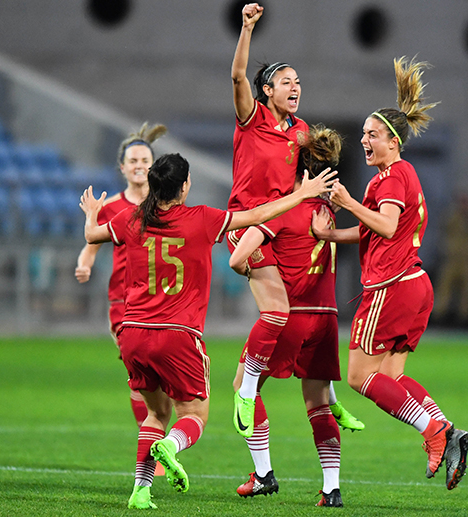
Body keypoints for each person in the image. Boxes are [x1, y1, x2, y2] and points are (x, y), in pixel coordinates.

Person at [80, 152, 336, 509]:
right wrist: (301, 193)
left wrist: (92, 212)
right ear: (185, 186)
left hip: (133, 333)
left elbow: (92, 234)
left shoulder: (132, 218)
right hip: (177, 334)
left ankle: (140, 491)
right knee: (194, 415)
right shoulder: (202, 219)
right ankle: (171, 446)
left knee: (155, 414)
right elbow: (259, 215)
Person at [312, 57, 468, 491]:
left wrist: (345, 202)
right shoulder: (393, 176)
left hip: (390, 288)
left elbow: (383, 224)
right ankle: (448, 431)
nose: (363, 139)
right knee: (393, 377)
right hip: (413, 284)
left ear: (394, 141)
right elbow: (376, 231)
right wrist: (332, 235)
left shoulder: (392, 178)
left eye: (373, 134)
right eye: (363, 133)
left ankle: (432, 431)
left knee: (360, 376)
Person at [227, 2, 358, 438]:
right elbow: (237, 77)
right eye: (286, 81)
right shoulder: (252, 118)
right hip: (250, 223)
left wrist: (328, 199)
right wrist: (247, 29)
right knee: (280, 312)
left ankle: (327, 396)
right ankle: (246, 389)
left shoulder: (300, 130)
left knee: (306, 312)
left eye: (299, 81)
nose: (295, 86)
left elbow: (312, 168)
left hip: (280, 226)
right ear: (267, 91)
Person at [227, 125, 356, 507]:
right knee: (316, 403)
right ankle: (332, 488)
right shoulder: (328, 211)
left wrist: (249, 270)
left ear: (299, 173)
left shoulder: (286, 209)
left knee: (242, 387)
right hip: (328, 318)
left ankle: (264, 474)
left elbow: (237, 257)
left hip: (292, 316)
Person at [75, 122, 170, 431]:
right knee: (138, 374)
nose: (139, 166)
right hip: (124, 302)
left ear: (153, 166)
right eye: (133, 161)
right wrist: (84, 264)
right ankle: (152, 444)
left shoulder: (166, 206)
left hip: (163, 300)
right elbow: (92, 244)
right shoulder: (112, 207)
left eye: (144, 161)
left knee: (163, 379)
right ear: (122, 167)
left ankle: (160, 434)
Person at [432, 192, 468, 324]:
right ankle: (439, 316)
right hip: (452, 258)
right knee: (444, 288)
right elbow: (446, 225)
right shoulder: (453, 216)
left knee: (465, 291)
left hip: (466, 259)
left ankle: (464, 318)